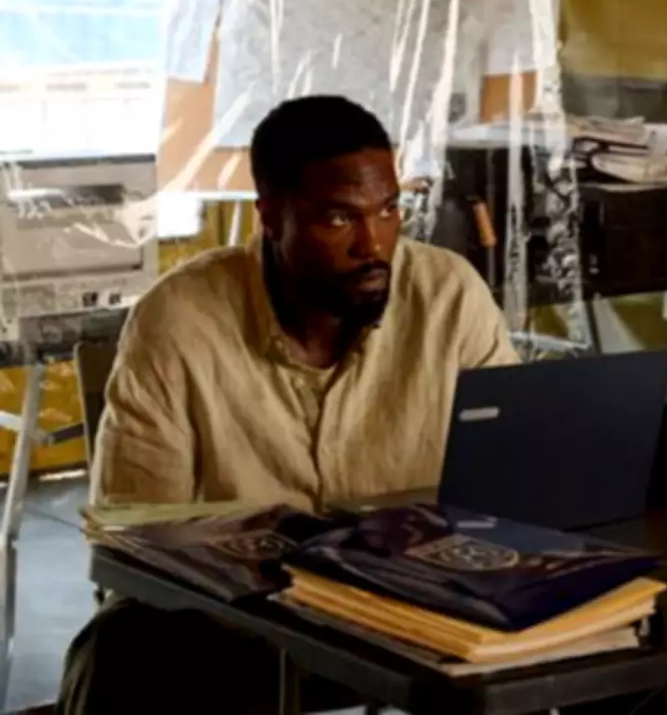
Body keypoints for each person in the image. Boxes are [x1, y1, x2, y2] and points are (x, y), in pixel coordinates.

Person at [57, 95, 520, 713]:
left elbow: (512, 489)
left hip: (423, 608)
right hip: (244, 623)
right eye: (339, 219)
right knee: (121, 647)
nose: (374, 244)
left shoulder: (449, 296)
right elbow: (140, 539)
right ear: (271, 217)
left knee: (624, 636)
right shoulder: (179, 319)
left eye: (388, 210)